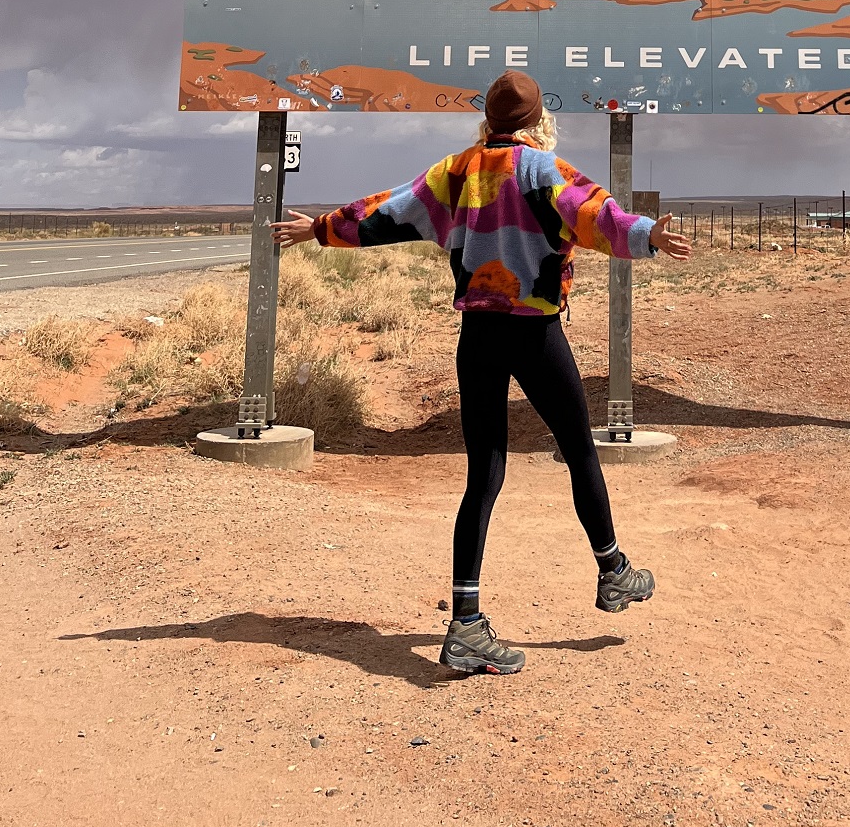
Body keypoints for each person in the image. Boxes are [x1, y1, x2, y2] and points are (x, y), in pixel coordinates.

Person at [272, 70, 692, 677]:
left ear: (489, 121)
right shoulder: (543, 170)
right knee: (578, 451)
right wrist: (650, 236)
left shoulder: (454, 171)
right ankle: (612, 572)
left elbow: (386, 213)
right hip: (536, 334)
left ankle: (466, 623)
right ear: (537, 121)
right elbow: (599, 217)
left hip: (478, 337)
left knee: (483, 475)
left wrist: (318, 229)